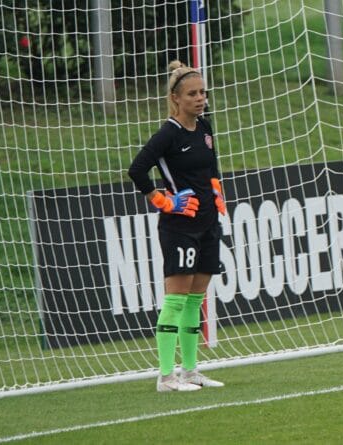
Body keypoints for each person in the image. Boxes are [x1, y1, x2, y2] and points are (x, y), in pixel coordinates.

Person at [128, 60, 227, 392]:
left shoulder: (205, 128)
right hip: (179, 227)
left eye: (203, 93)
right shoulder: (167, 134)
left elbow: (210, 169)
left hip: (208, 222)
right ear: (175, 98)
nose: (200, 99)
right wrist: (165, 201)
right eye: (192, 94)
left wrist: (217, 193)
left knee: (195, 299)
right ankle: (166, 376)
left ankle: (189, 370)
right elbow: (137, 170)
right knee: (176, 300)